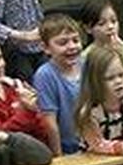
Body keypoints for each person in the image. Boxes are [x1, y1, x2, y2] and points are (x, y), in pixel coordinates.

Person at [32, 14, 85, 156]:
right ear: (46, 48)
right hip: (67, 147)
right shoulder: (45, 75)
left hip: (93, 141)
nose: (72, 46)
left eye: (76, 40)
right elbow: (50, 122)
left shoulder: (86, 64)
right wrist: (59, 158)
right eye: (63, 43)